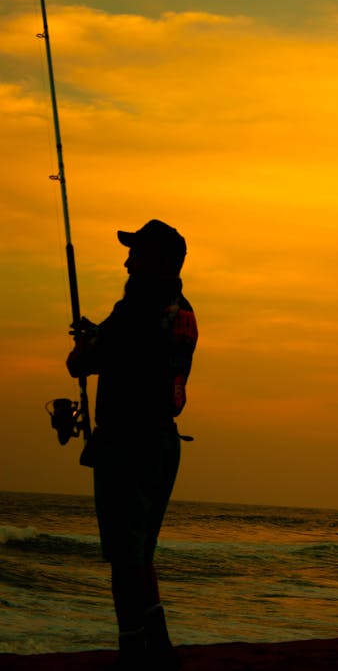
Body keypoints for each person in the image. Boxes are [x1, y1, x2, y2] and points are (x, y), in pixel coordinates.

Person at [67, 219, 198, 670]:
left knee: (125, 559)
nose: (127, 260)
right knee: (141, 553)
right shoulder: (183, 310)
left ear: (158, 261)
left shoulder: (135, 309)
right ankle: (158, 649)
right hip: (163, 443)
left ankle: (132, 651)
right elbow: (135, 351)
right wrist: (101, 337)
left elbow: (80, 364)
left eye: (136, 253)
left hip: (128, 443)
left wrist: (90, 344)